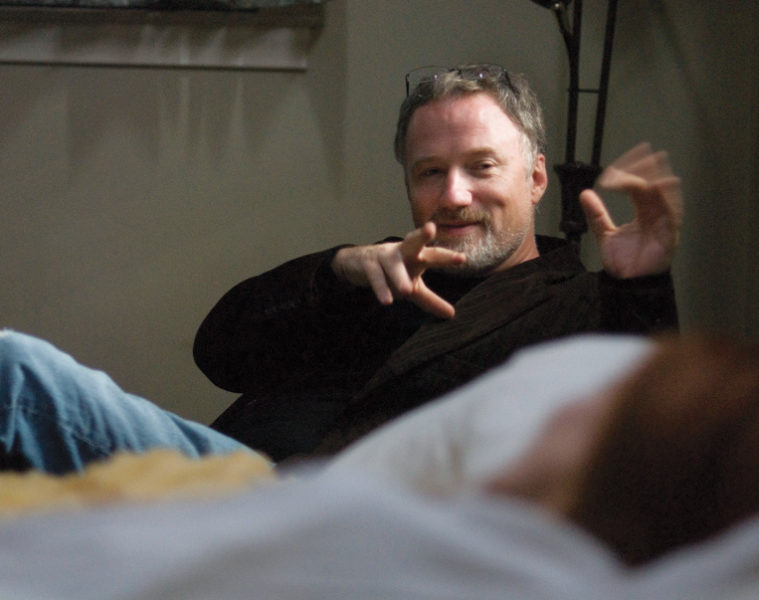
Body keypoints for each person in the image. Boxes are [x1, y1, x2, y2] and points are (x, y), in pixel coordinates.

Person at [194, 64, 682, 460]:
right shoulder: (375, 271)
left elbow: (648, 440)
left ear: (535, 180)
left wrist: (641, 290)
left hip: (321, 519)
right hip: (210, 481)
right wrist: (336, 270)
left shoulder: (580, 303)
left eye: (481, 167)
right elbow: (220, 356)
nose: (453, 195)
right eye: (430, 172)